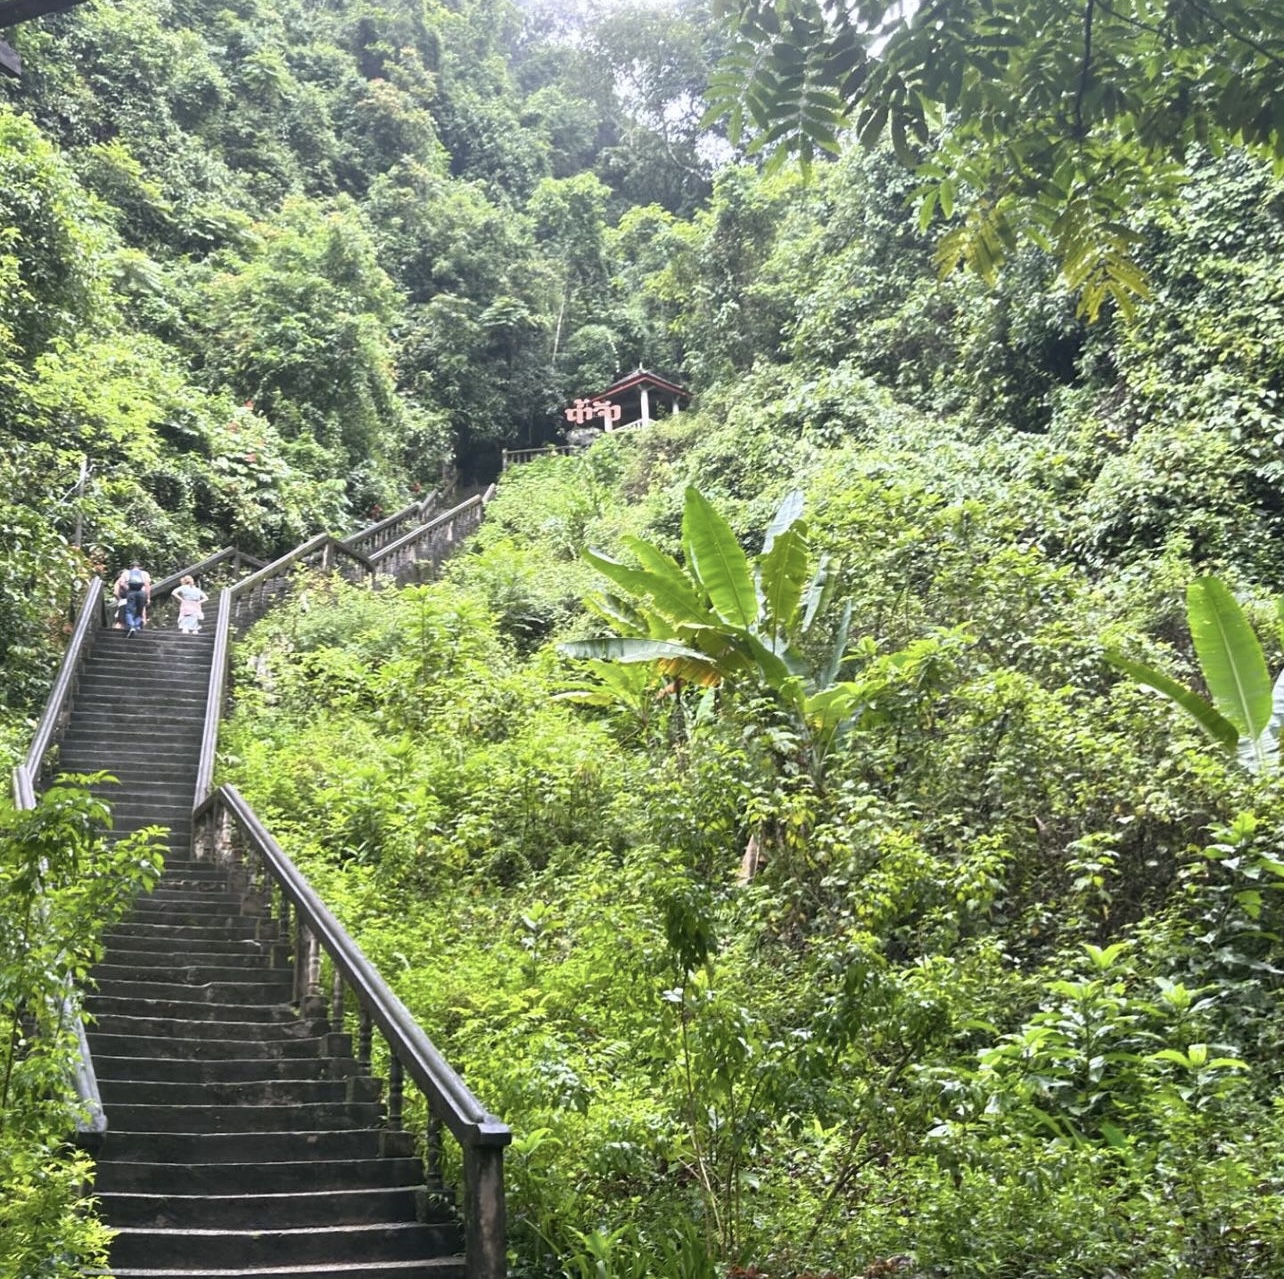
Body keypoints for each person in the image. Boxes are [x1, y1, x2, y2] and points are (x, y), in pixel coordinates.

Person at [115, 561, 151, 636]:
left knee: (129, 611)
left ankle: (131, 626)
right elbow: (147, 585)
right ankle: (137, 626)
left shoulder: (126, 573)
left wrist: (129, 590)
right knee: (139, 612)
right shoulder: (144, 573)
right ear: (140, 567)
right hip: (141, 594)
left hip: (131, 594)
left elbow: (121, 583)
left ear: (130, 567)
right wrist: (148, 597)